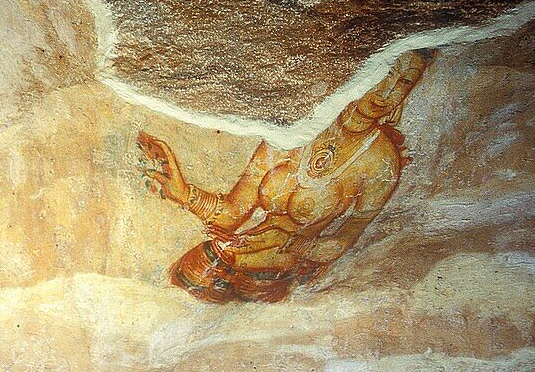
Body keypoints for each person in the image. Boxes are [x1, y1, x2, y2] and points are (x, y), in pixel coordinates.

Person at [138, 49, 434, 304]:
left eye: (405, 81)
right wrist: (183, 192)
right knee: (187, 281)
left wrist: (298, 250)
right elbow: (230, 214)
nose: (387, 91)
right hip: (239, 253)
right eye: (386, 73)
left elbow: (342, 242)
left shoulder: (380, 161)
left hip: (275, 271)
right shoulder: (300, 131)